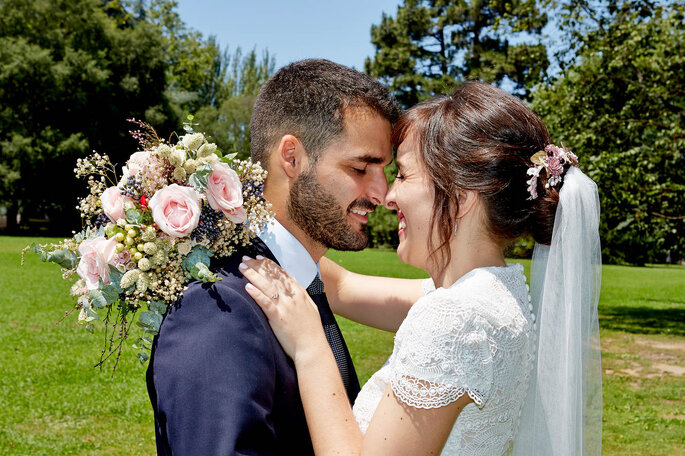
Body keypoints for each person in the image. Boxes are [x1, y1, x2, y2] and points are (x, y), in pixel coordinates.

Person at [241, 82, 603, 455]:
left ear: (460, 197)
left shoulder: (455, 319)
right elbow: (343, 286)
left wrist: (309, 346)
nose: (387, 196)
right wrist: (238, 212)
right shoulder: (493, 296)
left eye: (403, 174)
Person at [146, 59, 411, 455]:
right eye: (361, 167)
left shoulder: (301, 280)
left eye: (385, 170)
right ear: (292, 157)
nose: (382, 193)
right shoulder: (218, 306)